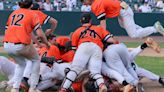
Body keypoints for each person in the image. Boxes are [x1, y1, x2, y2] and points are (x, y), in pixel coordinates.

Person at [59, 13, 118, 92]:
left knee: (75, 69)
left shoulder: (77, 31)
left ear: (81, 21)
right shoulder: (99, 29)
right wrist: (116, 42)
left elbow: (74, 50)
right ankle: (101, 85)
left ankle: (64, 89)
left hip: (83, 46)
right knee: (95, 71)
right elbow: (110, 40)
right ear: (90, 20)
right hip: (97, 48)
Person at [3, 0, 49, 92]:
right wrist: (47, 43)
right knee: (36, 60)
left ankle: (15, 88)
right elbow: (39, 34)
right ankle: (33, 87)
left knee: (21, 64)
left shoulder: (13, 13)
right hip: (20, 45)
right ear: (31, 5)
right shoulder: (32, 14)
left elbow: (6, 31)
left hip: (7, 45)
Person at [80, 0, 164, 38]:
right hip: (122, 8)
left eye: (83, 0)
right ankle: (143, 32)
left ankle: (154, 28)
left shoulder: (96, 4)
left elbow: (103, 20)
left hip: (123, 11)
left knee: (133, 35)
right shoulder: (97, 2)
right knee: (123, 25)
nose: (83, 3)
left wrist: (103, 33)